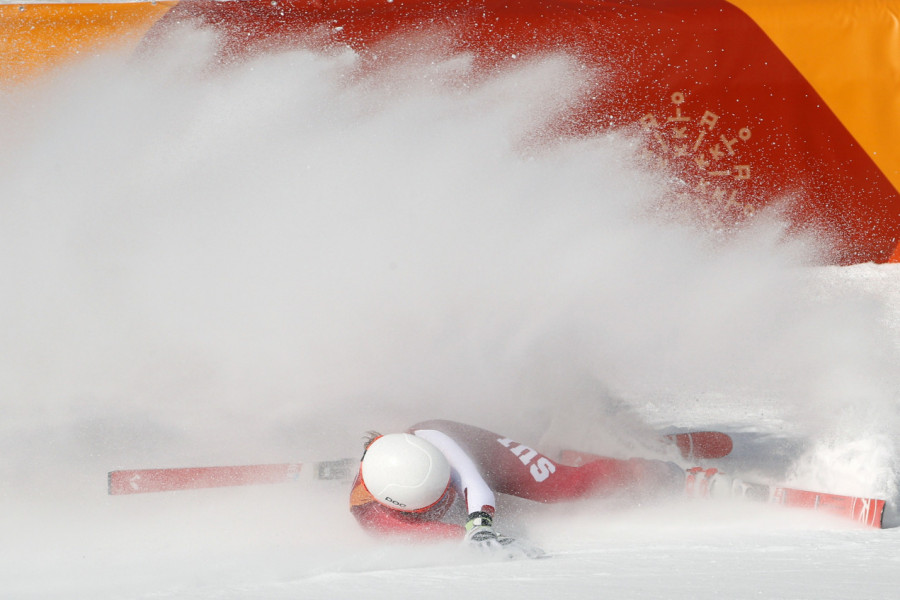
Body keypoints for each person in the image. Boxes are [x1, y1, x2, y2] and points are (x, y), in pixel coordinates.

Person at [348, 419, 694, 558]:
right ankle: (560, 449)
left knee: (564, 486)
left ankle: (663, 475)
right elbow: (443, 537)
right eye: (435, 503)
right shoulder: (371, 514)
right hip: (457, 493)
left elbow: (473, 483)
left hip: (483, 454)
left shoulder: (432, 441)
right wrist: (468, 537)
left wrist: (480, 526)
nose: (446, 499)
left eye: (444, 490)